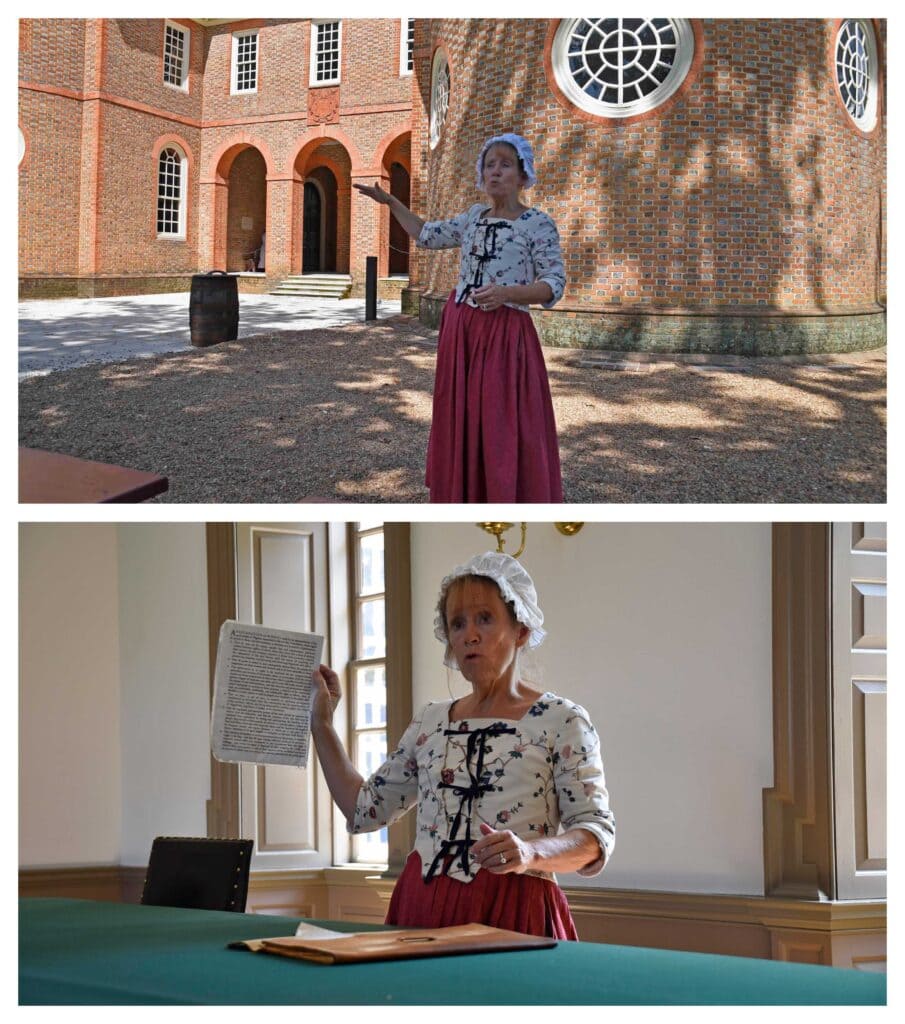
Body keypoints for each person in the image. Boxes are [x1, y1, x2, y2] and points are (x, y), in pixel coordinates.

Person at [310, 551, 615, 939]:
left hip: (515, 912)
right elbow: (364, 810)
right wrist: (321, 723)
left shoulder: (563, 720)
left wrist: (531, 853)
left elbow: (595, 835)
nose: (469, 634)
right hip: (422, 909)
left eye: (484, 619)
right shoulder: (430, 720)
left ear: (521, 630)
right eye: (457, 623)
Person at [354, 133, 566, 502]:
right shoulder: (472, 218)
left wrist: (507, 294)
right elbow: (425, 234)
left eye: (504, 164)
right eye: (489, 164)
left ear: (522, 174)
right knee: (462, 411)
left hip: (504, 332)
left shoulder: (537, 224)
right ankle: (466, 490)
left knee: (501, 417)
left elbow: (553, 284)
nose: (495, 172)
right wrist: (390, 202)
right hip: (461, 328)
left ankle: (503, 491)